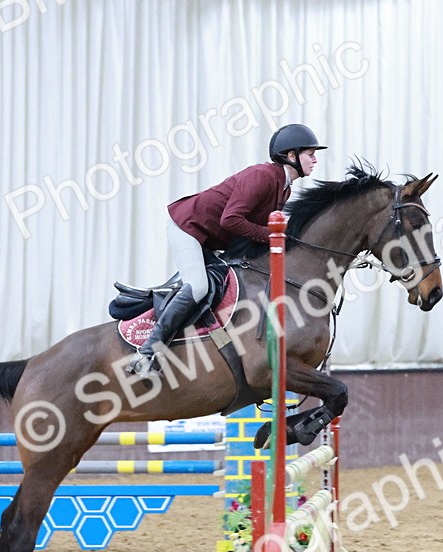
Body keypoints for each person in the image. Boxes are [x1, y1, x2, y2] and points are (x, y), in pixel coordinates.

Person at [127, 123, 327, 378]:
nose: (315, 159)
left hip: (210, 237)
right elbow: (230, 220)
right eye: (310, 154)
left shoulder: (284, 186)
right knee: (198, 287)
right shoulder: (263, 176)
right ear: (291, 156)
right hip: (188, 228)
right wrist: (271, 236)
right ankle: (146, 353)